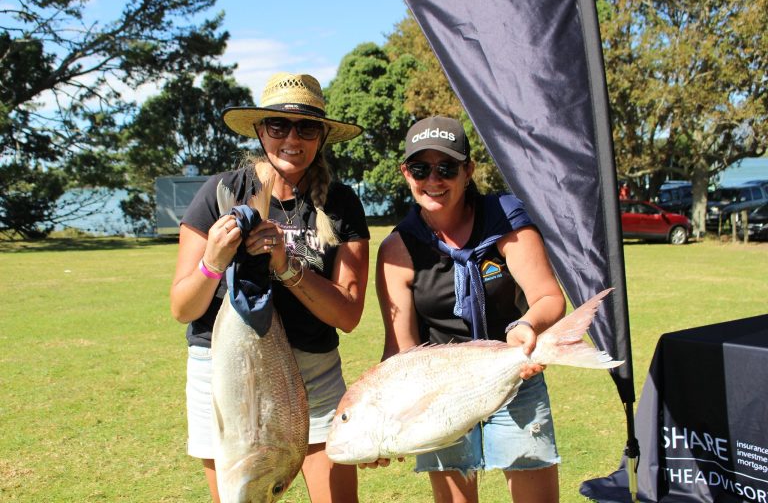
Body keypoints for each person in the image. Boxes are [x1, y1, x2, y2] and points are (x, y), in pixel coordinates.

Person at [170, 72, 369, 503]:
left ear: (322, 136)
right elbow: (183, 308)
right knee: (247, 494)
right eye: (278, 126)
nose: (291, 139)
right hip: (226, 369)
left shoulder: (342, 203)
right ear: (261, 131)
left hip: (313, 372)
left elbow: (349, 315)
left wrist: (285, 265)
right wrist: (213, 262)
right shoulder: (220, 192)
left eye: (307, 128)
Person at [370, 116, 566, 503]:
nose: (433, 180)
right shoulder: (397, 249)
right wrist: (380, 417)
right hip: (441, 394)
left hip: (514, 377)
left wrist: (526, 326)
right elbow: (401, 351)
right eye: (420, 168)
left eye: (446, 168)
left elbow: (548, 296)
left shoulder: (504, 220)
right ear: (405, 173)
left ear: (468, 170)